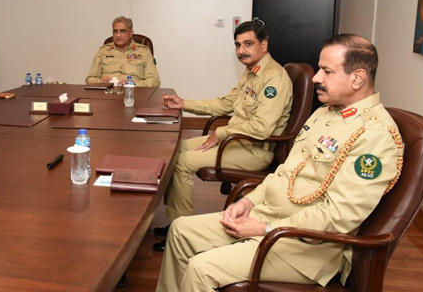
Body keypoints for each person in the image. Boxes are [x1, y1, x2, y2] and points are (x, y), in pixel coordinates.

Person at [156, 34, 403, 292]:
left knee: (200, 269)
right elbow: (286, 171)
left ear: (358, 77)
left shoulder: (375, 135)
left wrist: (264, 227)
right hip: (268, 217)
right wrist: (248, 202)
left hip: (302, 246)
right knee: (180, 231)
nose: (317, 78)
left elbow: (338, 217)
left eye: (327, 71)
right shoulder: (325, 112)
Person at [153, 19, 292, 252]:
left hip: (253, 150)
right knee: (174, 149)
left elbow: (261, 128)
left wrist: (221, 132)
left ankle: (181, 232)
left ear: (264, 45)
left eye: (248, 44)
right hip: (237, 141)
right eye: (237, 45)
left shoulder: (274, 78)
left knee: (183, 162)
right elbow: (224, 104)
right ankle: (175, 223)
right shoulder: (251, 73)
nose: (241, 51)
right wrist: (183, 103)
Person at [85, 16, 160, 87]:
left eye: (122, 31)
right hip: (107, 93)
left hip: (134, 93)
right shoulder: (103, 51)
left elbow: (155, 81)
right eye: (115, 31)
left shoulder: (144, 51)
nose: (118, 35)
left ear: (131, 33)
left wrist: (134, 84)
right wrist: (100, 82)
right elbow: (90, 79)